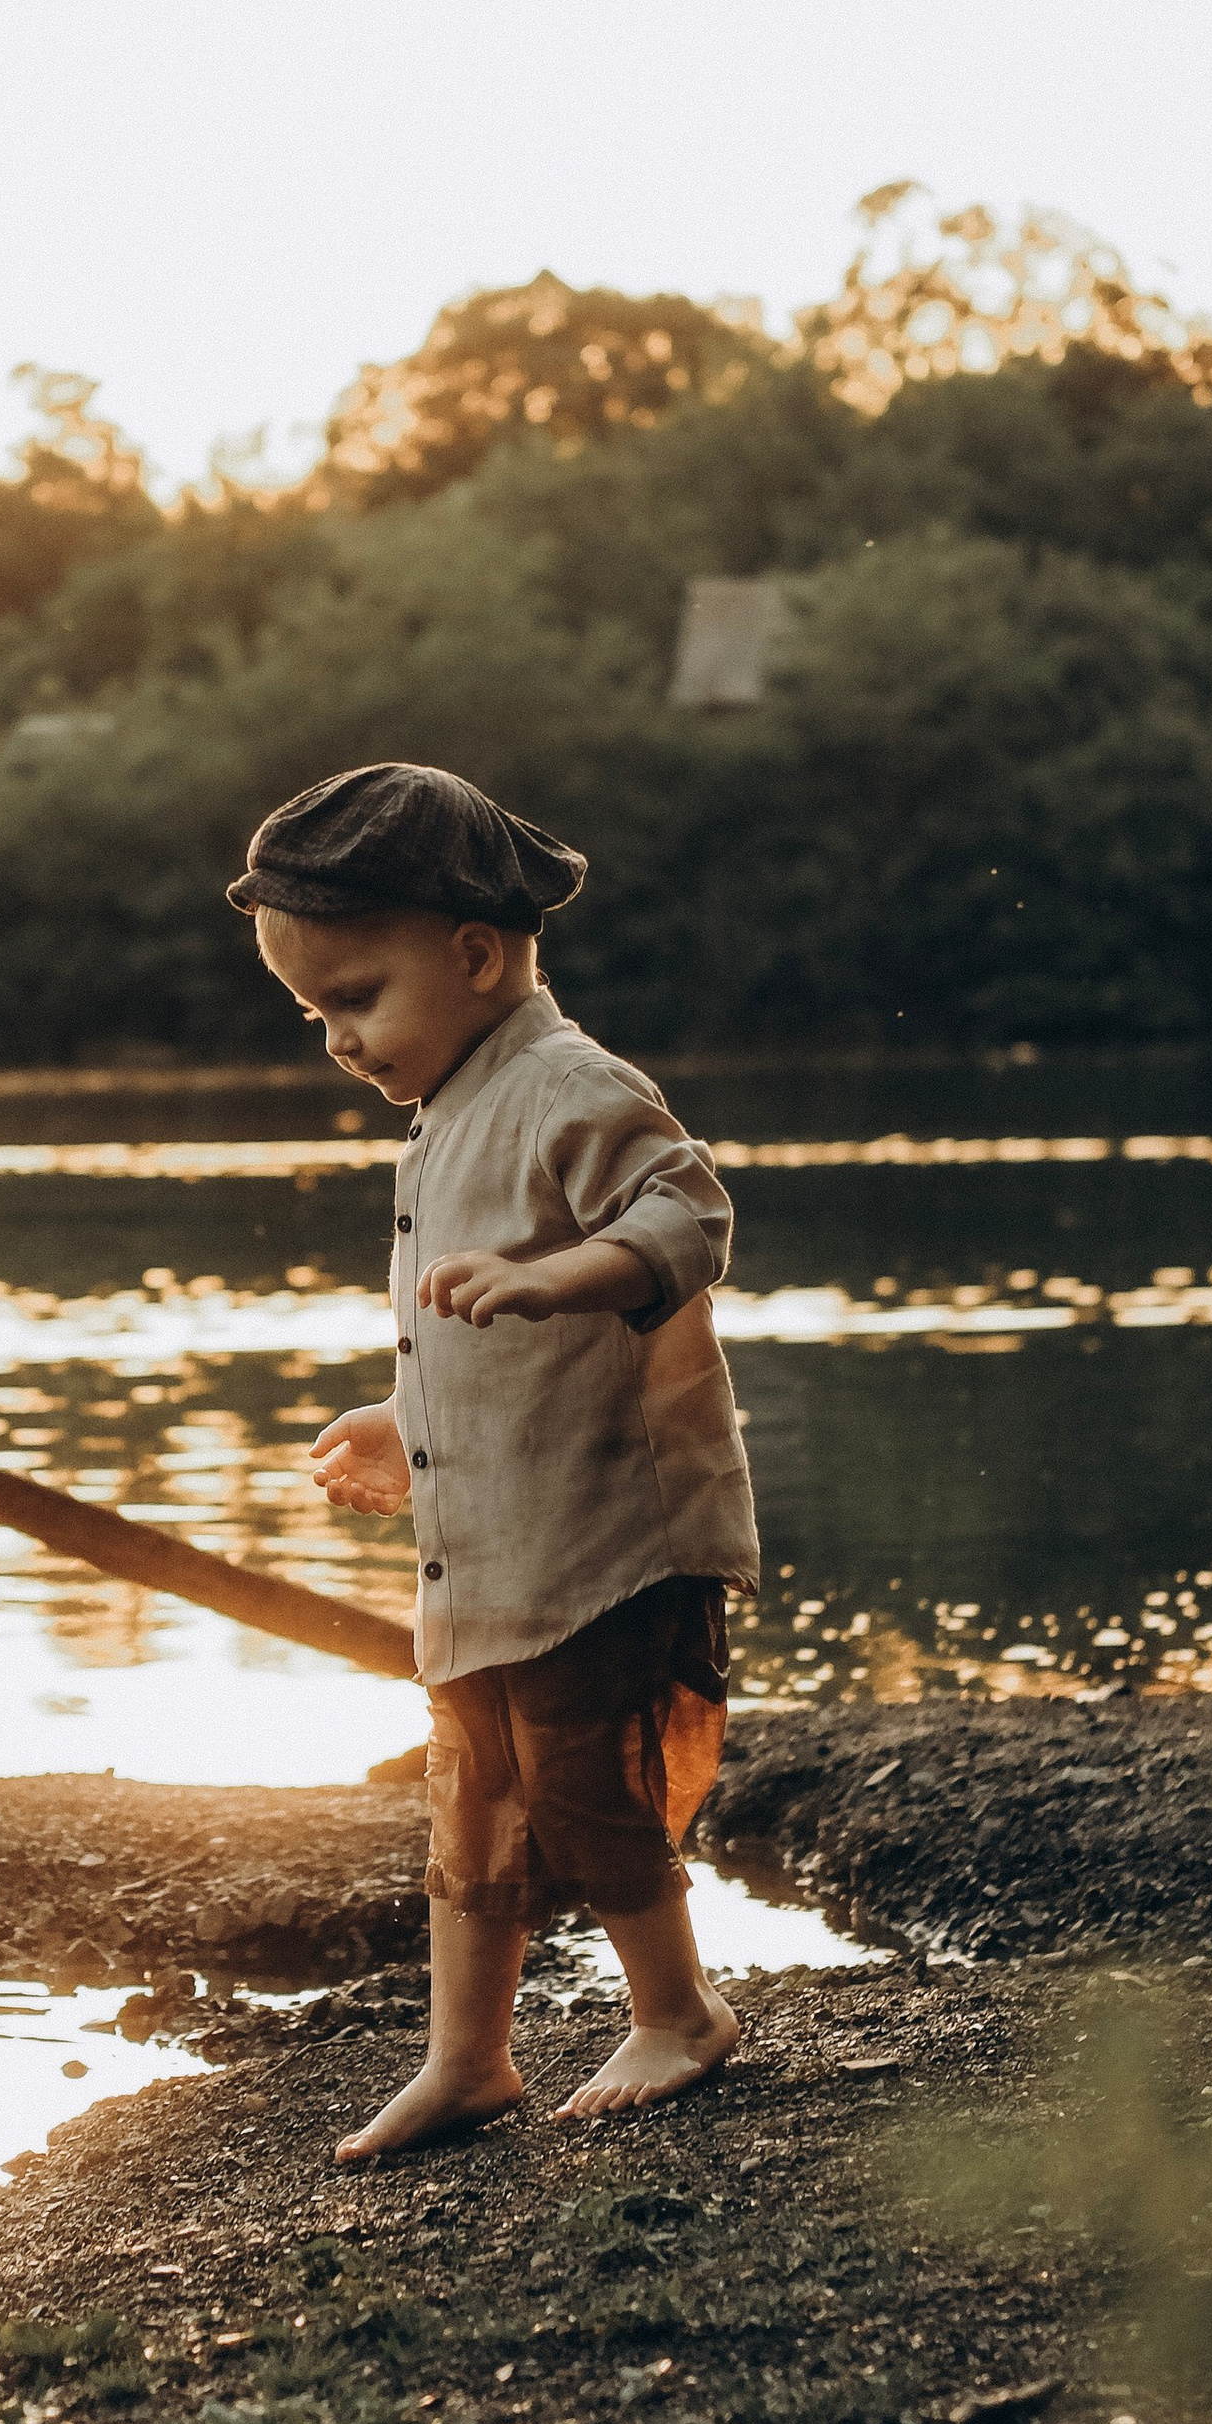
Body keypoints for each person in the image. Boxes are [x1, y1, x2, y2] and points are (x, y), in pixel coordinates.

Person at [230, 764, 759, 2162]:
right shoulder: (452, 1109)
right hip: (494, 1548)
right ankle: (469, 2057)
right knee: (466, 1795)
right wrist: (401, 1428)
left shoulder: (565, 1086)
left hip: (603, 1537)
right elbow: (475, 1346)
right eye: (312, 1014)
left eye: (354, 998)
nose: (337, 1039)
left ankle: (680, 2011)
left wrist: (565, 1277)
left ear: (473, 955)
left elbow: (688, 1213)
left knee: (587, 1785)